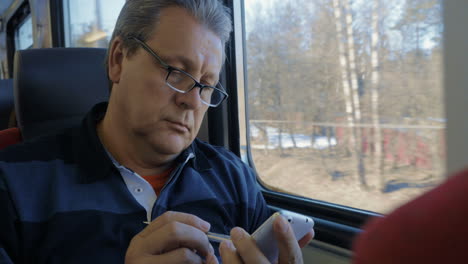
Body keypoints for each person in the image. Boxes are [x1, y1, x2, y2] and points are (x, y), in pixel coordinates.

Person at [0, 0, 313, 263]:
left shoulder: (233, 178)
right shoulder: (14, 183)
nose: (192, 100)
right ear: (118, 60)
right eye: (176, 72)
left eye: (207, 85)